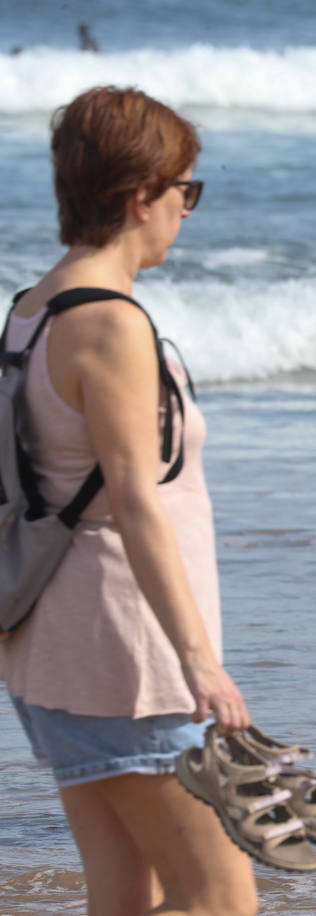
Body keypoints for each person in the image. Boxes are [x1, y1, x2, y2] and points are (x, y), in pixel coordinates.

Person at [1, 86, 257, 914]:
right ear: (141, 193)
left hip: (53, 651)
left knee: (126, 895)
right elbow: (137, 501)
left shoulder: (31, 310)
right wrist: (198, 662)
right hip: (129, 660)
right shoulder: (110, 323)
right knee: (221, 898)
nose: (187, 209)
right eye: (187, 189)